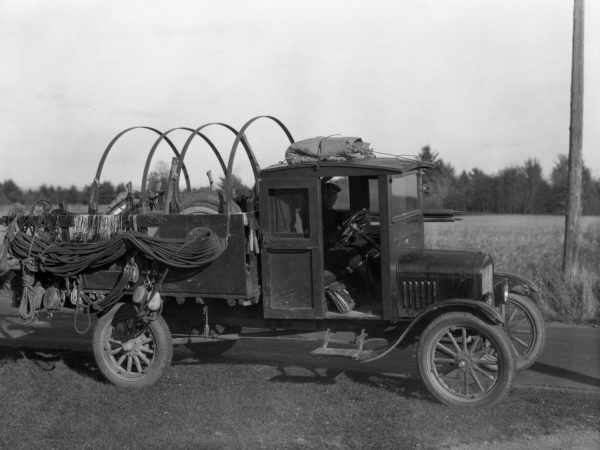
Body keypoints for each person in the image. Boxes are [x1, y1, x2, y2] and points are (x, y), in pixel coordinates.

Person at [321, 182, 343, 248]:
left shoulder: (335, 214)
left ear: (336, 197)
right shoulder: (317, 213)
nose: (330, 197)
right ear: (320, 195)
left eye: (333, 194)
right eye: (327, 193)